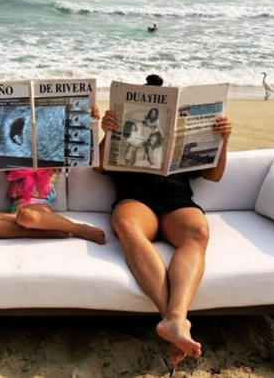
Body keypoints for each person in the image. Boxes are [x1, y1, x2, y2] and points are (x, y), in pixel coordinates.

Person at [98, 74, 233, 366]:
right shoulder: (127, 129)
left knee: (198, 232)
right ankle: (172, 319)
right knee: (127, 227)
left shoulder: (177, 138)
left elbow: (214, 175)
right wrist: (107, 132)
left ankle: (175, 319)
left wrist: (223, 140)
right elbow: (98, 166)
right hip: (136, 201)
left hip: (176, 203)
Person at [0, 106, 106, 244]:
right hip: (14, 215)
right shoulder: (11, 158)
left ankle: (76, 228)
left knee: (27, 216)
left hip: (39, 210)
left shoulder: (52, 158)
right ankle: (40, 232)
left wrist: (89, 119)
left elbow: (81, 149)